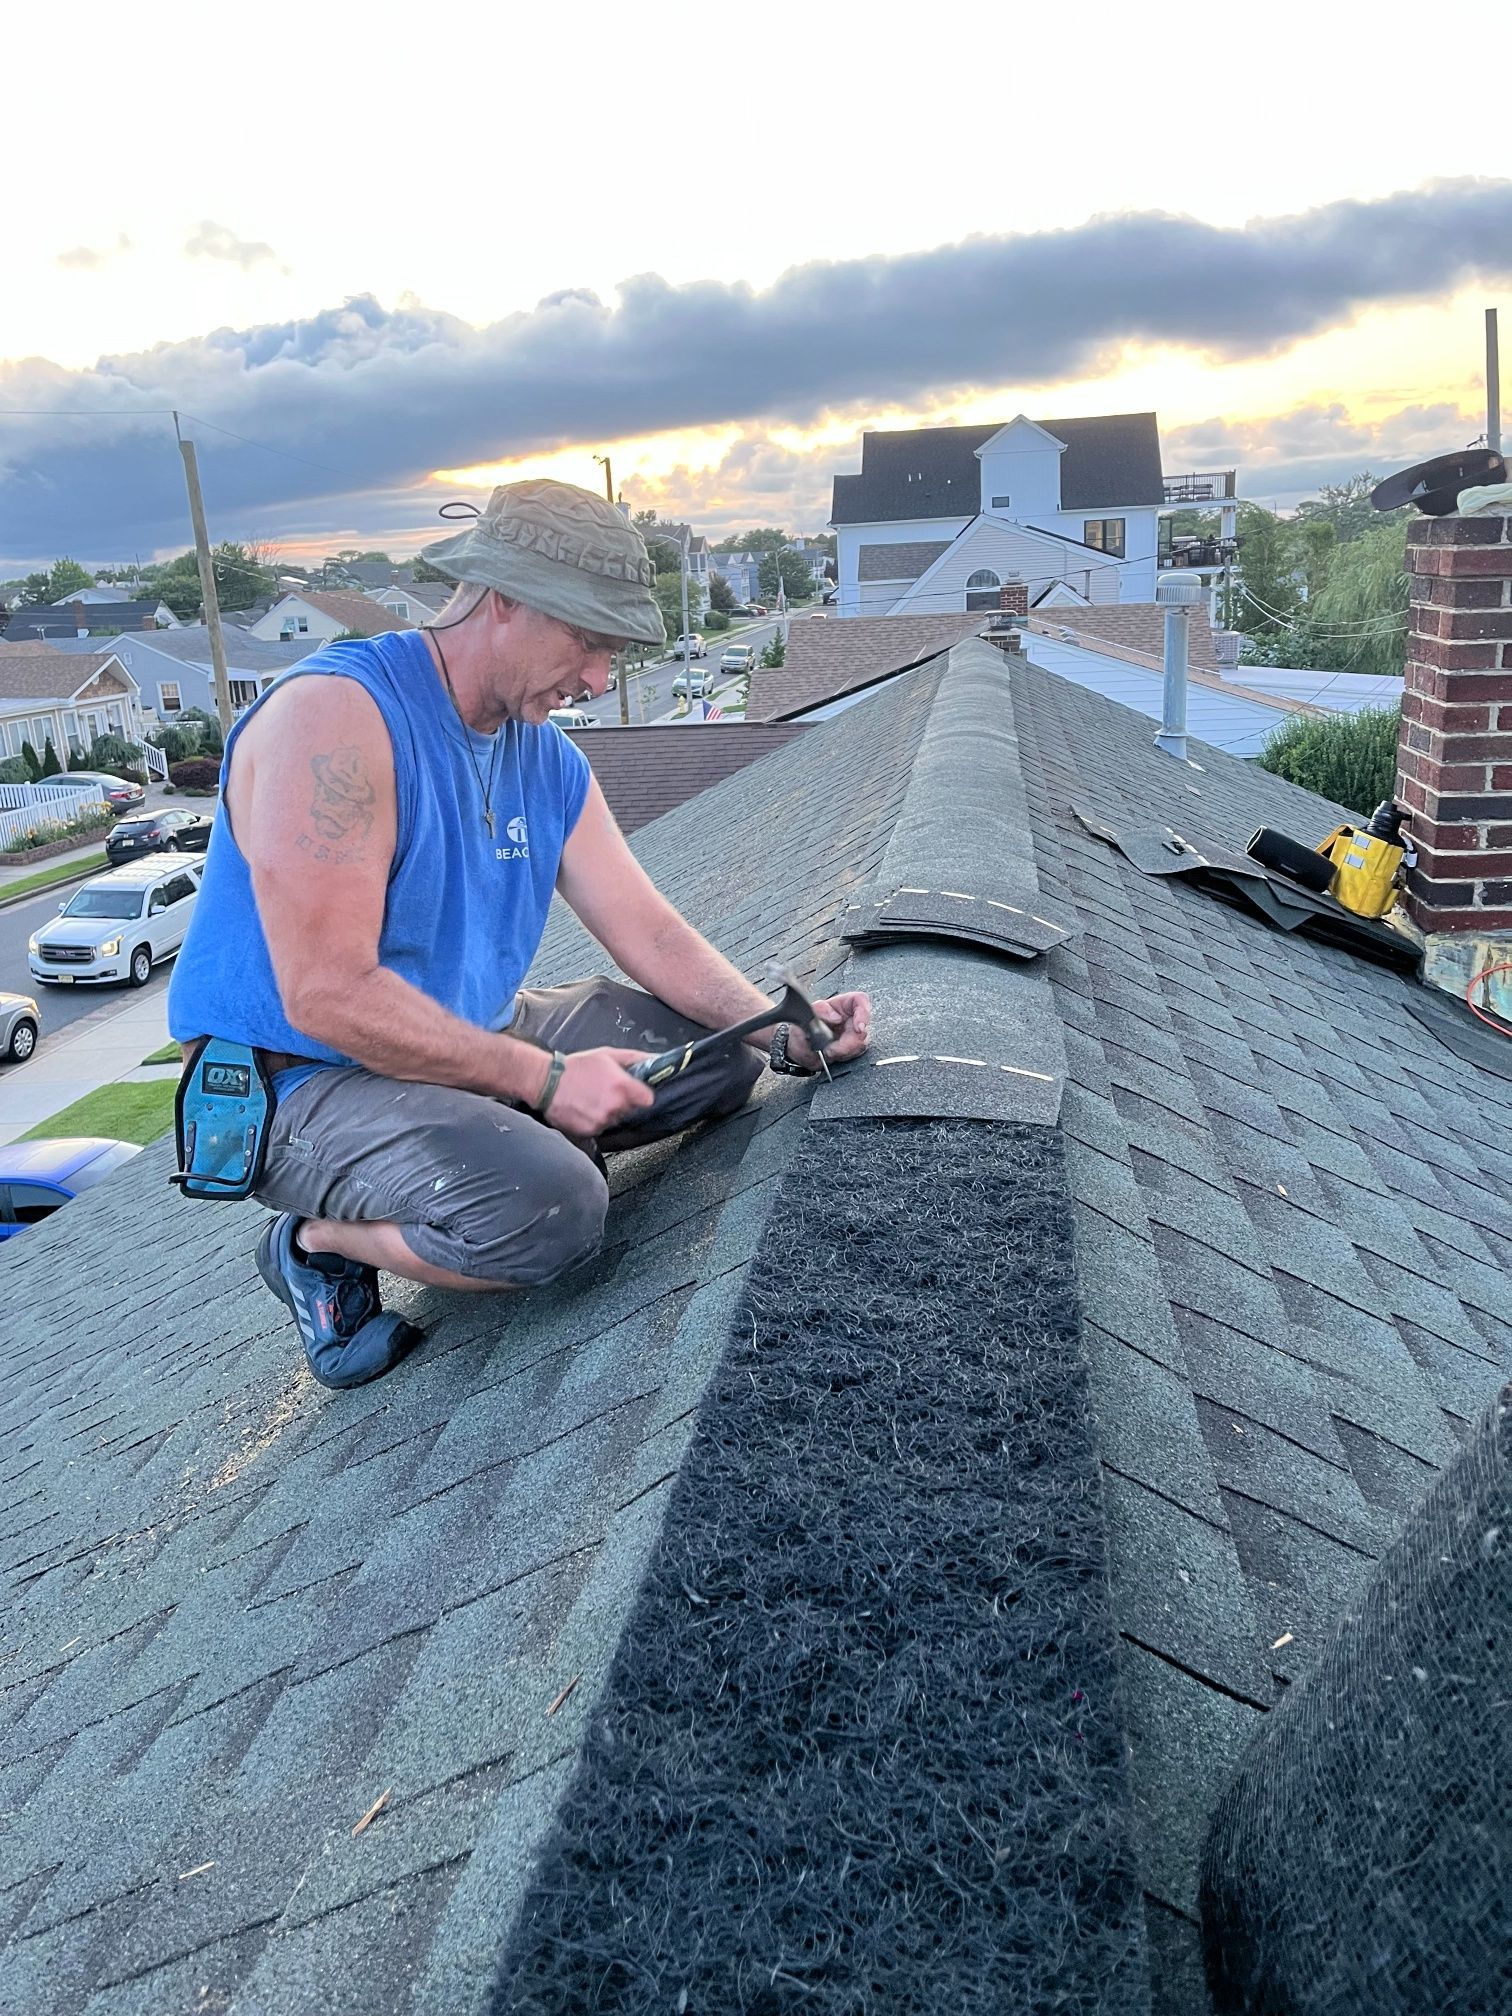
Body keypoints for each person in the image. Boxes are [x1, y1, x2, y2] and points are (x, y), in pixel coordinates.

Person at [169, 480, 871, 1387]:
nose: (596, 680)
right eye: (586, 641)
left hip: (464, 1033)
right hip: (297, 1076)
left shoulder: (545, 758)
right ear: (500, 598)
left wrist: (785, 1028)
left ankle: (494, 1131)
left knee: (723, 1060)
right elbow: (327, 993)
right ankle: (313, 1243)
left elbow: (649, 933)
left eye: (611, 653)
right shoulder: (335, 720)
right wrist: (541, 1081)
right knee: (553, 1213)